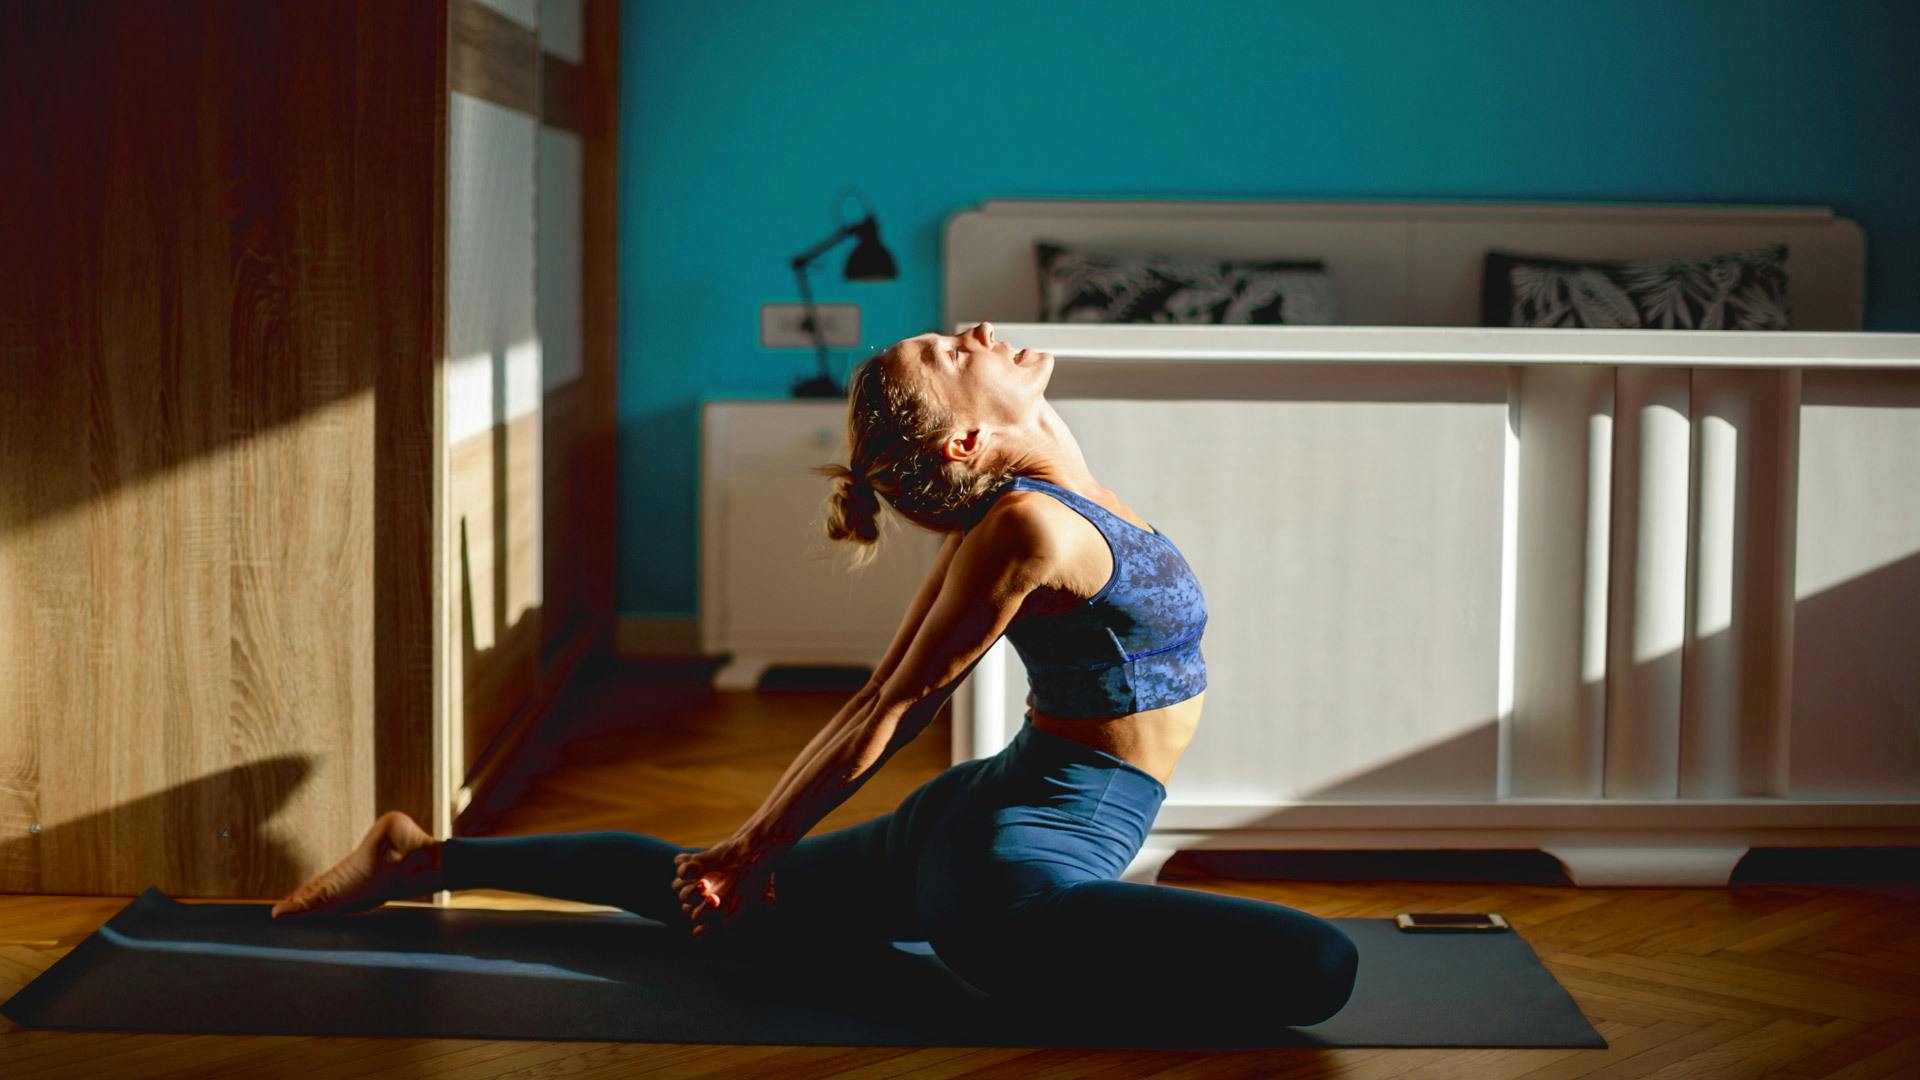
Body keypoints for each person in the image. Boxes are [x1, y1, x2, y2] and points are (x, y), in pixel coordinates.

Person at [270, 322, 1359, 1030]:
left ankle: (421, 856)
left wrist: (747, 857)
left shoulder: (1043, 486)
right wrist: (752, 846)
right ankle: (457, 861)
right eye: (947, 349)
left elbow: (960, 455)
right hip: (1011, 878)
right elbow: (884, 704)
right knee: (1322, 970)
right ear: (973, 440)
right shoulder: (1025, 523)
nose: (976, 331)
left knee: (702, 893)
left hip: (984, 813)